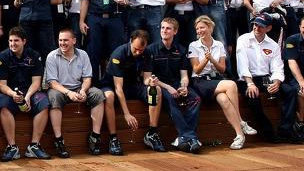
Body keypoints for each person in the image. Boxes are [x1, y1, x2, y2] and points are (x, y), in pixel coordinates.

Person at [189, 16, 256, 150]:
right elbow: (196, 70)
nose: (199, 31)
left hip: (216, 80)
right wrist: (206, 60)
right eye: (197, 29)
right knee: (231, 84)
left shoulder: (219, 44)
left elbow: (223, 68)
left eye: (202, 27)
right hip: (200, 81)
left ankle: (239, 135)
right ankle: (241, 120)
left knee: (224, 100)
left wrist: (212, 60)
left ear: (210, 28)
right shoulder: (194, 45)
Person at [237, 13, 300, 143]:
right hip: (247, 79)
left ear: (269, 28)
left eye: (261, 26)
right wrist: (250, 84)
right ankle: (268, 131)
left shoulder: (273, 45)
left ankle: (285, 131)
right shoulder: (243, 39)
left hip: (266, 79)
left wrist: (276, 82)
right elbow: (242, 65)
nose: (257, 28)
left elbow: (278, 68)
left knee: (290, 91)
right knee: (252, 96)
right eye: (255, 24)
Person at [0, 27, 53, 161]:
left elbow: (37, 82)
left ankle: (34, 145)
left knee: (44, 102)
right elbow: (1, 84)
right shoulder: (2, 56)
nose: (13, 44)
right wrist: (13, 94)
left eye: (16, 41)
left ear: (24, 41)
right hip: (8, 91)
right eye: (10, 41)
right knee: (3, 104)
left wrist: (27, 97)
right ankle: (12, 147)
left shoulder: (34, 55)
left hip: (29, 90)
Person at [101, 30, 166, 153]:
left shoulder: (147, 53)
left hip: (132, 85)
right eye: (136, 49)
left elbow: (146, 78)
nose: (138, 53)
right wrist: (127, 113)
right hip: (112, 86)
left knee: (156, 90)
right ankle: (113, 139)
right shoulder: (119, 54)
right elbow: (118, 88)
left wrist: (151, 82)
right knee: (109, 97)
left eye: (141, 50)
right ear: (130, 41)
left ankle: (151, 134)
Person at [45, 29, 107, 155]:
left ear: (74, 41)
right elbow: (52, 83)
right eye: (60, 40)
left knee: (98, 95)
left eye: (66, 40)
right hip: (60, 89)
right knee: (54, 97)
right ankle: (59, 139)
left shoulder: (83, 55)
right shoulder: (52, 56)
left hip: (79, 87)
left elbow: (87, 78)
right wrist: (69, 93)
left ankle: (95, 136)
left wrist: (83, 91)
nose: (62, 43)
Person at [145, 18, 203, 153]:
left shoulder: (181, 49)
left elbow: (184, 76)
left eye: (168, 28)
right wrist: (168, 87)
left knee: (195, 99)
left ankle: (184, 138)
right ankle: (191, 137)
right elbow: (147, 78)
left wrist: (184, 86)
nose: (164, 31)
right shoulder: (150, 49)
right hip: (159, 85)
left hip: (176, 83)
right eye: (163, 28)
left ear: (175, 31)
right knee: (170, 99)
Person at [79, 0, 130, 84]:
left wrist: (123, 2)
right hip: (95, 19)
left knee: (116, 53)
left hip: (115, 19)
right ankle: (94, 84)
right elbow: (85, 2)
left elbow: (128, 1)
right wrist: (81, 21)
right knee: (93, 52)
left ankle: (113, 84)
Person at [282, 16, 304, 138]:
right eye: (303, 27)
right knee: (302, 91)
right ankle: (300, 123)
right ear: (300, 27)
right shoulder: (292, 40)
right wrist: (301, 81)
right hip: (293, 78)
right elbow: (292, 63)